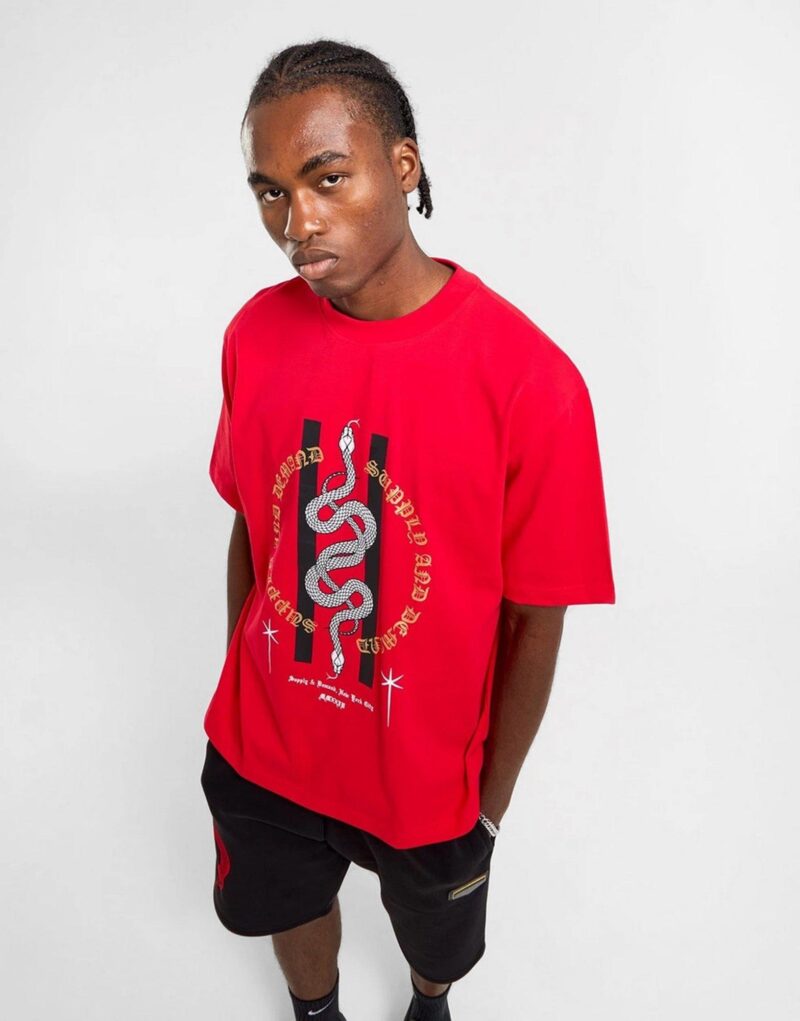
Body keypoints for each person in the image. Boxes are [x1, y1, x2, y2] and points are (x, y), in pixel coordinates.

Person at [199, 38, 616, 1021]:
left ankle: (428, 1004)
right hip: (263, 753)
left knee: (437, 945)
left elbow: (534, 619)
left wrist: (486, 808)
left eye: (326, 178)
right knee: (287, 908)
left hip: (427, 785)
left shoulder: (531, 383)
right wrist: (245, 681)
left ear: (402, 165)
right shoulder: (255, 334)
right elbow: (253, 523)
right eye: (269, 192)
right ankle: (316, 1013)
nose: (295, 222)